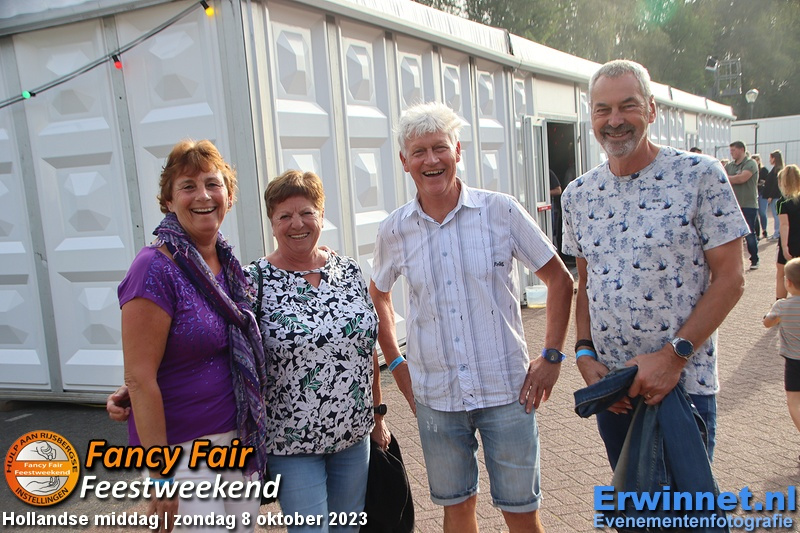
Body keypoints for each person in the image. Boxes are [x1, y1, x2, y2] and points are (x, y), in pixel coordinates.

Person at [369, 101, 574, 533]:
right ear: (404, 161)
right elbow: (379, 295)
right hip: (437, 396)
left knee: (521, 512)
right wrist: (397, 364)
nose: (431, 160)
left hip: (508, 391)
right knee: (457, 509)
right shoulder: (394, 230)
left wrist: (552, 356)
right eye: (419, 151)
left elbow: (559, 279)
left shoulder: (501, 211)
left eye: (440, 148)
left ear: (457, 151)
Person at [560, 60, 748, 471]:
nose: (614, 120)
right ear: (591, 116)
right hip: (616, 393)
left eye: (628, 105)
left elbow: (732, 279)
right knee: (633, 503)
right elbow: (586, 284)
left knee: (685, 505)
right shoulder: (577, 195)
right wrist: (584, 352)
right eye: (602, 109)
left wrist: (672, 358)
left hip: (680, 386)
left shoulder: (700, 176)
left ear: (651, 109)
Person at [115, 139, 268, 532]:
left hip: (236, 437)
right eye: (187, 186)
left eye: (213, 184)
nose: (203, 196)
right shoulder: (153, 269)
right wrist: (161, 479)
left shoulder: (228, 266)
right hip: (181, 448)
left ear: (229, 196)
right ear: (169, 201)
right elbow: (140, 377)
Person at [244, 169, 390, 532]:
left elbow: (366, 349)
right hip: (291, 443)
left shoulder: (348, 271)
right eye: (285, 215)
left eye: (307, 212)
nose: (297, 223)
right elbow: (224, 345)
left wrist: (378, 416)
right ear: (272, 223)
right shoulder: (254, 281)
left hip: (354, 435)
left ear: (321, 216)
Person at [763, 257, 800, 443]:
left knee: (794, 401)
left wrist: (772, 316)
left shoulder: (782, 306)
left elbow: (767, 323)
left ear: (788, 282)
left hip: (794, 361)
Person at [725, 140, 760, 269]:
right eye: (730, 150)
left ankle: (754, 259)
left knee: (749, 234)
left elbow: (742, 178)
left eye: (733, 150)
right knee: (732, 235)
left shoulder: (750, 163)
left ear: (741, 150)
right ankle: (733, 262)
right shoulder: (730, 166)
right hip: (733, 205)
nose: (731, 153)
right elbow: (720, 178)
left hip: (748, 204)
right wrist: (732, 177)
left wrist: (728, 178)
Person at [776, 165, 800, 300]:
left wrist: (784, 247)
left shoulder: (782, 202)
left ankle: (780, 303)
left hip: (790, 241)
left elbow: (784, 225)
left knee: (781, 273)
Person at [764, 149, 785, 240]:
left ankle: (777, 233)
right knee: (776, 215)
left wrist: (771, 196)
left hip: (775, 196)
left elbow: (776, 185)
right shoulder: (777, 169)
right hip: (775, 195)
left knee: (776, 215)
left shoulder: (777, 170)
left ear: (774, 158)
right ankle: (777, 233)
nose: (769, 160)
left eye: (771, 158)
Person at [753, 154, 769, 239]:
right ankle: (757, 232)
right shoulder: (751, 170)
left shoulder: (764, 170)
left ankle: (764, 229)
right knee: (755, 214)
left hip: (762, 193)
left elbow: (767, 181)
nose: (756, 162)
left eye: (757, 160)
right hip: (754, 194)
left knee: (762, 212)